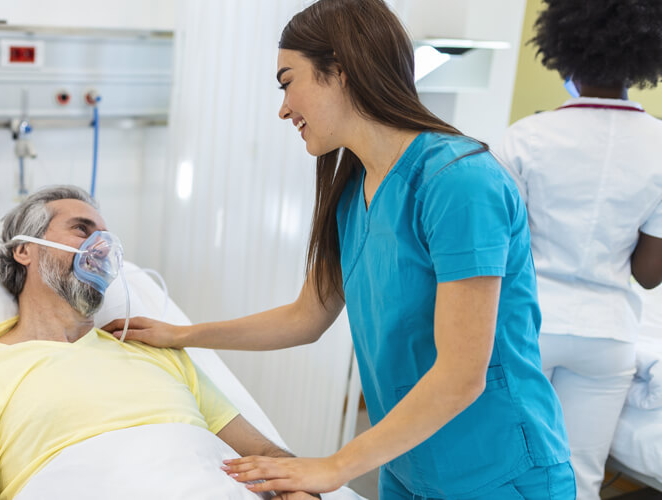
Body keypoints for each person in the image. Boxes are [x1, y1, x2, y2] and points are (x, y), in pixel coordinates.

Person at [102, 1, 575, 498]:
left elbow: (462, 375)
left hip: (499, 472)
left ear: (341, 72)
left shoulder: (458, 182)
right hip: (408, 468)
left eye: (287, 81)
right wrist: (183, 334)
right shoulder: (352, 191)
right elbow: (305, 318)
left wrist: (335, 467)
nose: (283, 106)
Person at [0, 186, 315, 500]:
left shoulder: (152, 350)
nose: (101, 249)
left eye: (107, 239)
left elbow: (271, 457)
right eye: (82, 230)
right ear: (24, 250)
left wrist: (300, 493)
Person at [494, 1, 662, 497]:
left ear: (564, 55)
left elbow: (501, 249)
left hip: (528, 326)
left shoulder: (524, 138)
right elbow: (650, 274)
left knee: (505, 467)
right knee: (580, 477)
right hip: (609, 336)